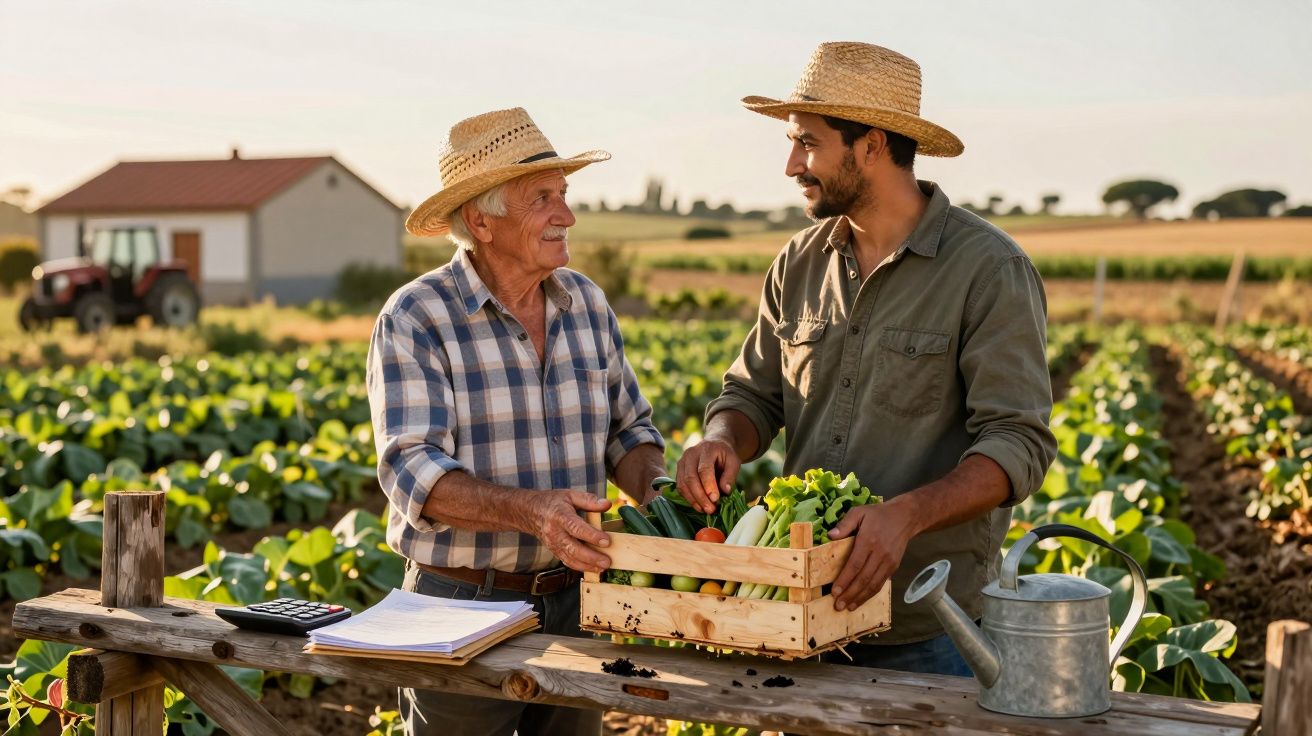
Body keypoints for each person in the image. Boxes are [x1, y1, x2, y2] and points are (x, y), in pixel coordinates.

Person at [675, 42, 1057, 676]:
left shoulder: (988, 270)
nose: (792, 163)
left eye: (808, 142)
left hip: (929, 624)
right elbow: (752, 396)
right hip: (798, 615)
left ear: (872, 145)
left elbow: (1017, 442)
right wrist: (720, 439)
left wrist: (904, 517)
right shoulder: (799, 262)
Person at [367, 107, 667, 735]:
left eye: (564, 194)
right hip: (459, 605)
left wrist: (664, 496)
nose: (567, 214)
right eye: (542, 199)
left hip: (577, 603)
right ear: (481, 219)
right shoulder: (417, 317)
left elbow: (629, 432)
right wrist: (534, 511)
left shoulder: (586, 303)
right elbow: (413, 470)